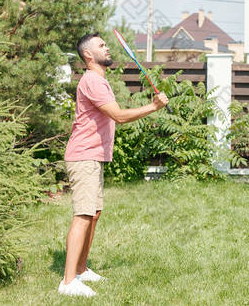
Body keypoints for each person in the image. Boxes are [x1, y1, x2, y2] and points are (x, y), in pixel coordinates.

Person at [58, 33, 168, 297]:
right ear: (88, 55)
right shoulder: (92, 81)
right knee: (83, 215)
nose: (106, 48)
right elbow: (118, 116)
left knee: (93, 214)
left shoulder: (100, 80)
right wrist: (153, 107)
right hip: (83, 156)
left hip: (93, 156)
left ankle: (82, 270)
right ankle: (68, 281)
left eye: (106, 44)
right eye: (101, 45)